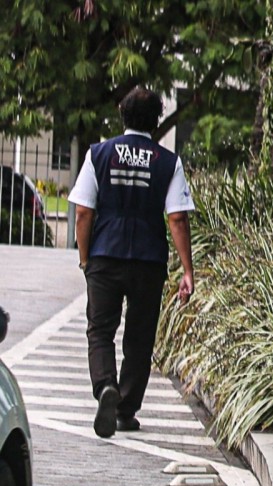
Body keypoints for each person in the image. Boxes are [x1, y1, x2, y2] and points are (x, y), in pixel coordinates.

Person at [68, 86, 195, 438]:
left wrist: (84, 259)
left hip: (105, 257)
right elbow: (177, 219)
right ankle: (125, 411)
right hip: (148, 260)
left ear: (122, 116)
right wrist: (187, 270)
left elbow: (82, 212)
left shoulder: (99, 154)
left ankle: (105, 385)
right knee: (139, 338)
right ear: (156, 120)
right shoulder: (168, 162)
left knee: (100, 330)